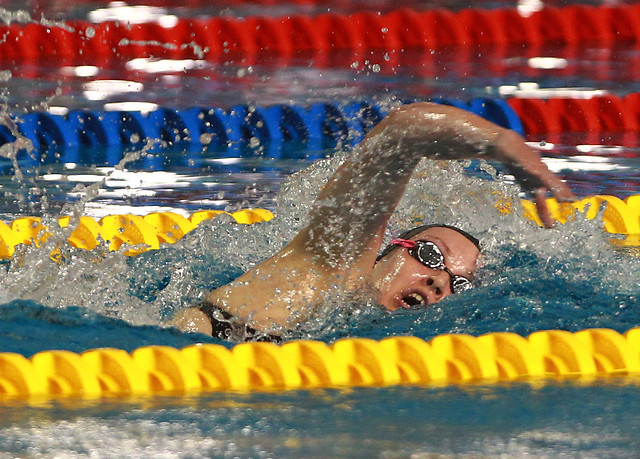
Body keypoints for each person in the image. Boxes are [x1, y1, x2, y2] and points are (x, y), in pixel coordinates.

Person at [172, 102, 574, 340]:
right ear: (388, 250)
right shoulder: (327, 272)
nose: (439, 281)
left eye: (459, 283)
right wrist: (504, 145)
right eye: (432, 255)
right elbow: (403, 132)